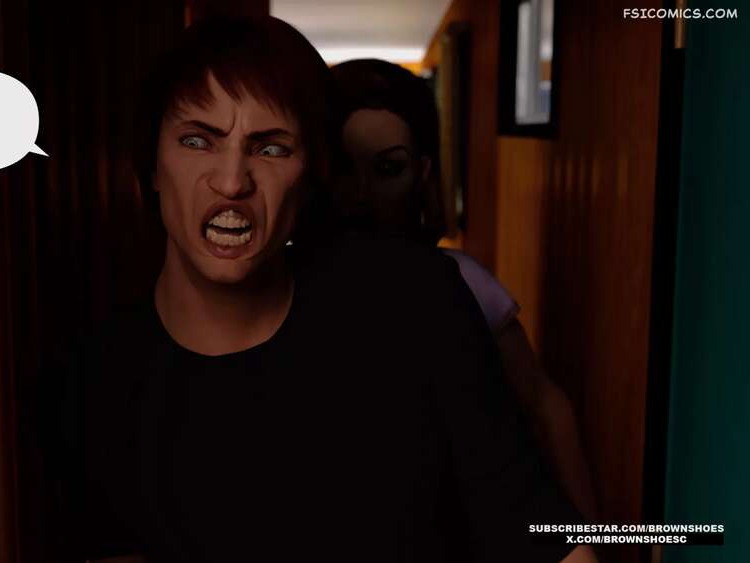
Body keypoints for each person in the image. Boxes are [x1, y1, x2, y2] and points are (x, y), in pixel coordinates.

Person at [79, 16, 597, 563]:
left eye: (271, 149)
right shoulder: (102, 379)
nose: (231, 182)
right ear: (151, 165)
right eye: (197, 141)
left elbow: (541, 521)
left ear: (309, 177)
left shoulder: (417, 297)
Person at [328, 58, 598, 520]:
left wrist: (593, 538)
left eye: (388, 168)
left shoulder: (459, 281)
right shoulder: (287, 283)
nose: (361, 193)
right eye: (343, 168)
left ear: (422, 173)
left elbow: (545, 407)